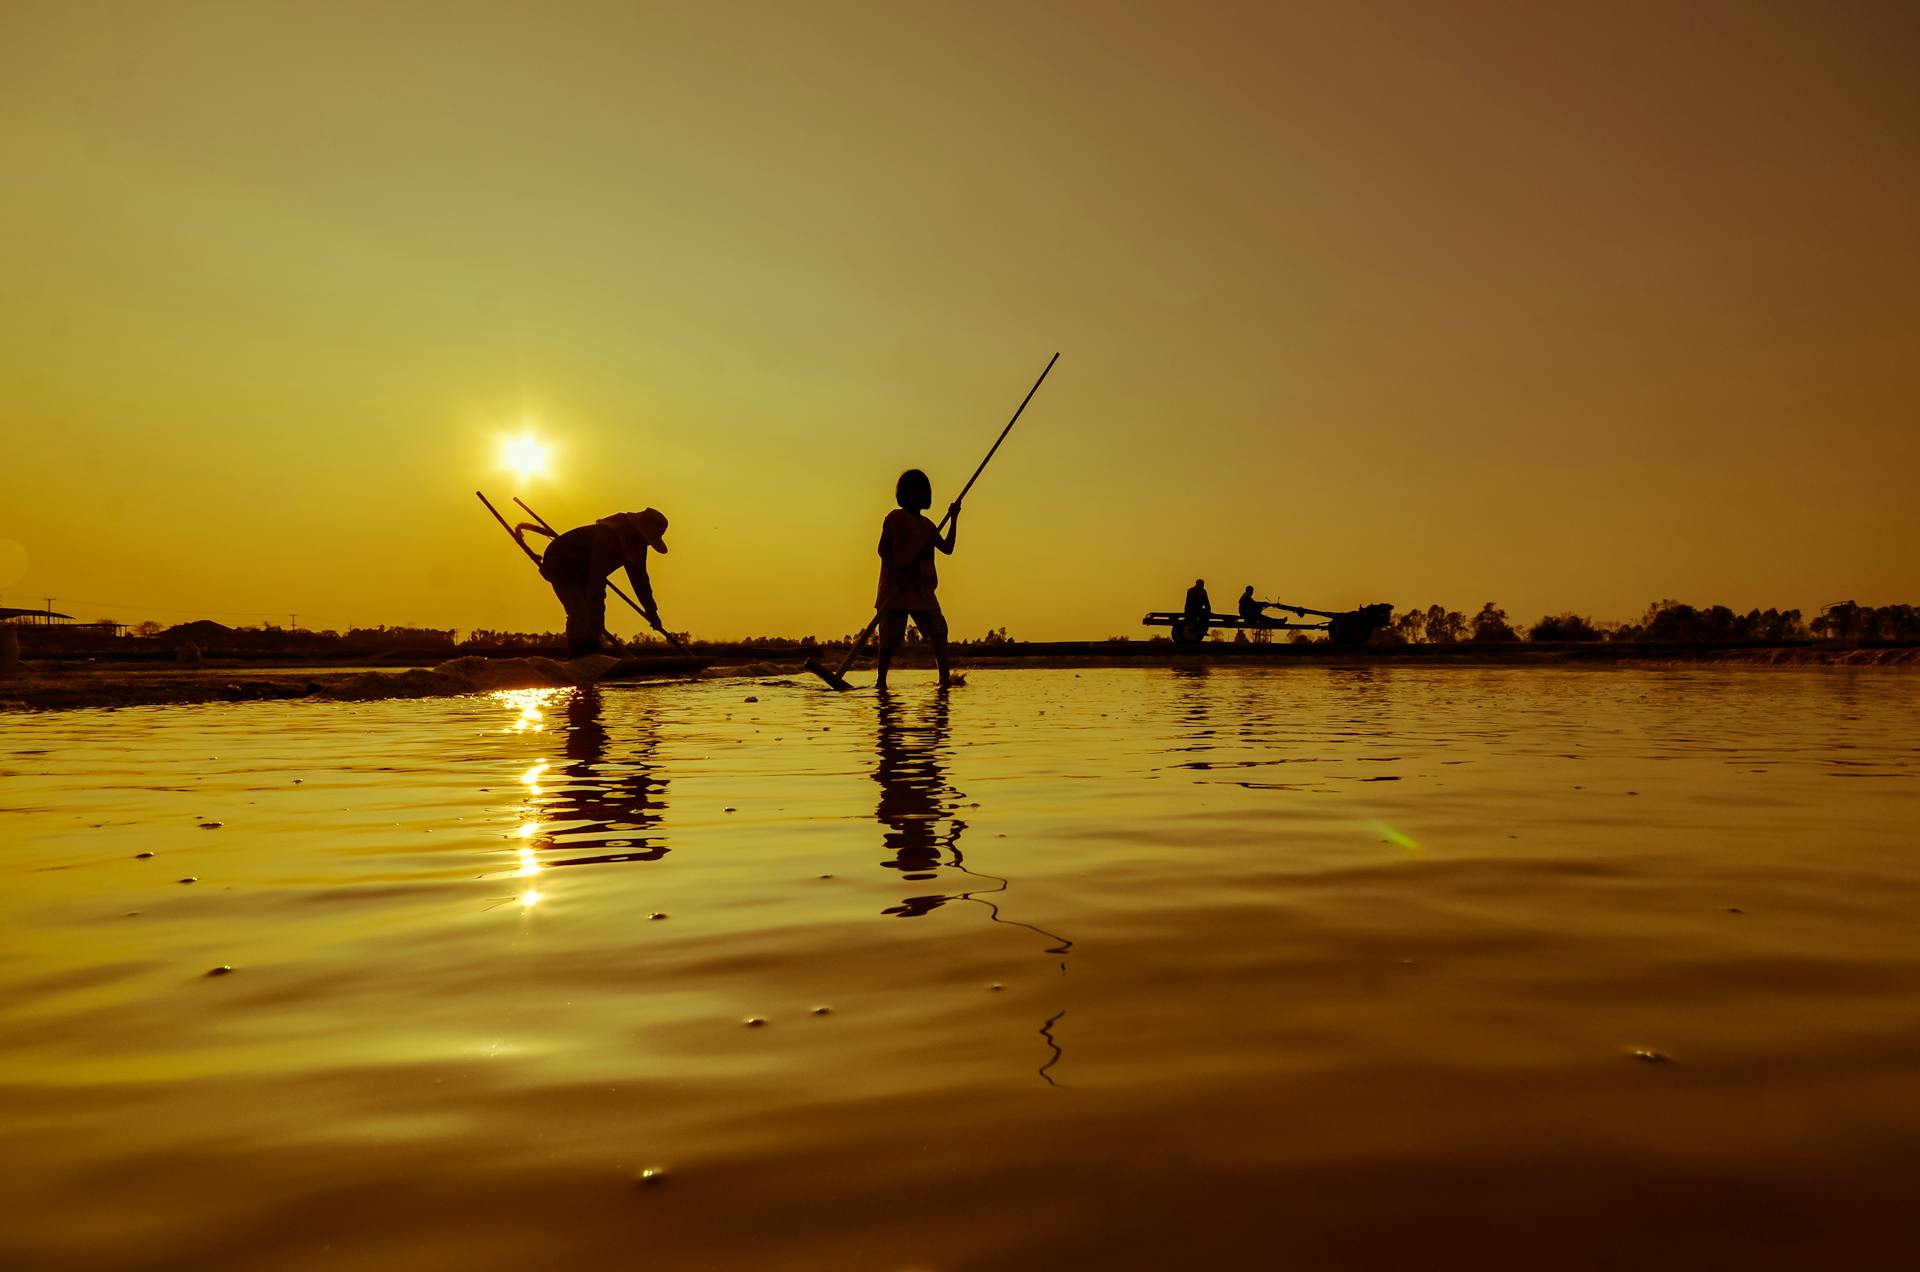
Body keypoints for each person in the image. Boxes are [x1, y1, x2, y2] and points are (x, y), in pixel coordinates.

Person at [535, 509, 668, 658]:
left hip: (584, 572)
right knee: (580, 613)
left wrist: (651, 612)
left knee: (596, 616)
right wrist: (595, 610)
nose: (645, 544)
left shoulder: (638, 548)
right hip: (560, 563)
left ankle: (593, 656)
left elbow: (640, 581)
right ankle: (577, 659)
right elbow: (596, 578)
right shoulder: (608, 537)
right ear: (634, 532)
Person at [874, 468, 957, 690]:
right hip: (896, 590)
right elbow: (883, 550)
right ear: (906, 493)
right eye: (918, 490)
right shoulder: (894, 518)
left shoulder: (928, 526)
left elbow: (947, 548)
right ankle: (880, 681)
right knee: (889, 639)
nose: (923, 495)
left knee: (939, 632)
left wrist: (954, 518)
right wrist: (899, 571)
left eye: (925, 491)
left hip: (922, 591)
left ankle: (944, 678)